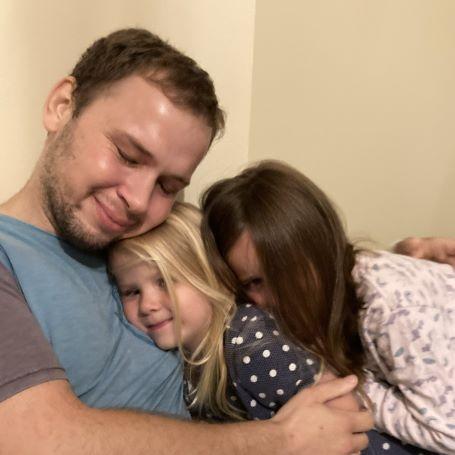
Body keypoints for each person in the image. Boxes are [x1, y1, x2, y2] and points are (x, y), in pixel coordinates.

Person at [0, 29, 372, 454]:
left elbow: (266, 267)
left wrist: (383, 264)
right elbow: (38, 442)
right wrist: (279, 441)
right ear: (62, 106)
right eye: (127, 154)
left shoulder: (129, 240)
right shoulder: (11, 256)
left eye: (169, 185)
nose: (138, 201)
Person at [109, 201, 431, 455]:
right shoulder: (186, 358)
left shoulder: (248, 340)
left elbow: (342, 405)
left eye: (165, 281)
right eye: (131, 291)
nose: (148, 304)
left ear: (206, 277)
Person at [200, 160, 455, 454]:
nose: (282, 295)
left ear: (322, 245)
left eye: (289, 270)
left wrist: (357, 386)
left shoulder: (386, 305)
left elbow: (445, 433)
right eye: (255, 282)